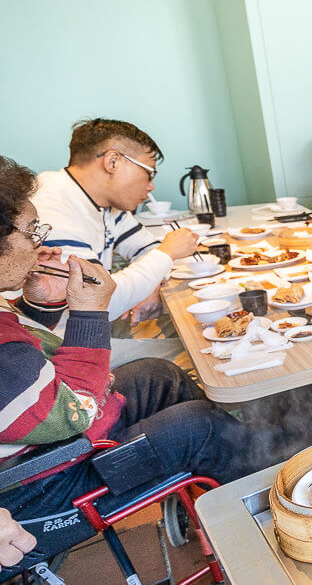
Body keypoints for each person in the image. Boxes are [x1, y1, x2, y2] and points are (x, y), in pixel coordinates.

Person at [0, 157, 262, 553]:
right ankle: (260, 521)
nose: (40, 242)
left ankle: (212, 498)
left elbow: (28, 375)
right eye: (32, 231)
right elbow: (69, 411)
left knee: (159, 374)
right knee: (198, 425)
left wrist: (41, 307)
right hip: (40, 485)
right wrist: (89, 312)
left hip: (50, 441)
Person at [30, 119, 199, 365]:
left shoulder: (101, 202)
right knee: (197, 356)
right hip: (60, 347)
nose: (151, 186)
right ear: (112, 161)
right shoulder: (51, 208)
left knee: (191, 325)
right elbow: (95, 301)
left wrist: (149, 285)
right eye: (149, 173)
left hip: (95, 325)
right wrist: (166, 255)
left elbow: (146, 249)